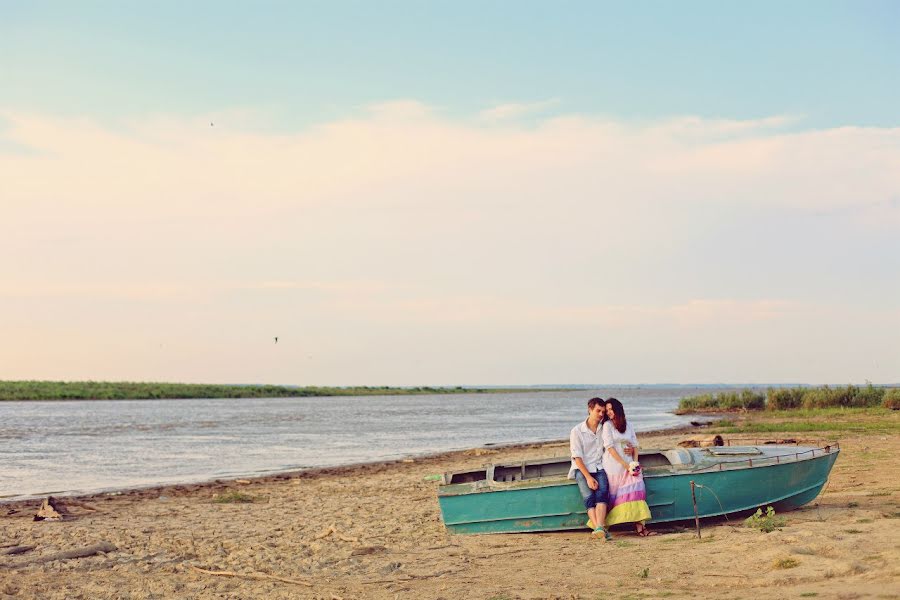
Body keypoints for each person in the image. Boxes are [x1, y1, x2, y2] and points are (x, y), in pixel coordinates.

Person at [602, 398, 656, 536]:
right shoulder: (607, 426)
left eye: (610, 409)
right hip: (614, 466)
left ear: (618, 409)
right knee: (613, 496)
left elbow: (635, 445)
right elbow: (609, 447)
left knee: (637, 491)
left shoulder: (628, 425)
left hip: (630, 464)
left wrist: (634, 462)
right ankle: (604, 526)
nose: (608, 412)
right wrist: (625, 465)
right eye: (606, 410)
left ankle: (640, 527)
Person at [569, 397, 612, 540]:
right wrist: (588, 477)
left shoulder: (604, 427)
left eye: (603, 412)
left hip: (599, 466)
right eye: (598, 411)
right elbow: (577, 457)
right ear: (590, 409)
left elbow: (615, 442)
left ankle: (599, 528)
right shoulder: (577, 431)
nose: (601, 414)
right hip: (582, 468)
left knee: (603, 494)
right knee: (588, 497)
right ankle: (600, 528)